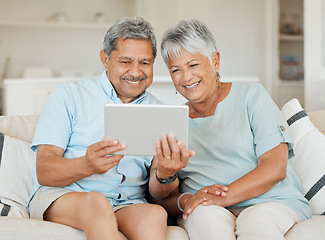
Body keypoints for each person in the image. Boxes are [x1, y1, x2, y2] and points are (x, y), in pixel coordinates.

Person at [28, 17, 193, 240]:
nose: (136, 72)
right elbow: (44, 171)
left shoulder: (161, 111)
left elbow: (157, 193)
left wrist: (165, 174)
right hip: (66, 197)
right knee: (95, 203)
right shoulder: (69, 95)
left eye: (145, 62)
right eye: (126, 62)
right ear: (105, 59)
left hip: (127, 203)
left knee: (154, 213)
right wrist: (86, 165)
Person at [157, 19, 312, 240]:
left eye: (193, 65)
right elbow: (163, 195)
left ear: (215, 61)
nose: (186, 77)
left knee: (255, 225)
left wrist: (222, 197)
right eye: (175, 70)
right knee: (206, 221)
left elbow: (275, 167)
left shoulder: (252, 96)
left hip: (271, 202)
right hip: (206, 208)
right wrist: (188, 200)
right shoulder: (173, 122)